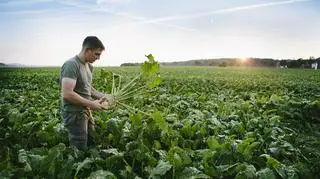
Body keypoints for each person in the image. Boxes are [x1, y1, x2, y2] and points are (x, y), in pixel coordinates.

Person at [60, 36, 115, 150]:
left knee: (92, 140)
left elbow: (88, 88)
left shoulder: (89, 66)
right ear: (86, 50)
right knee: (79, 147)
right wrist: (92, 104)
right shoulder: (71, 65)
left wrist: (104, 96)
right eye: (96, 54)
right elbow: (67, 94)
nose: (98, 58)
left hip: (86, 111)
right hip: (74, 113)